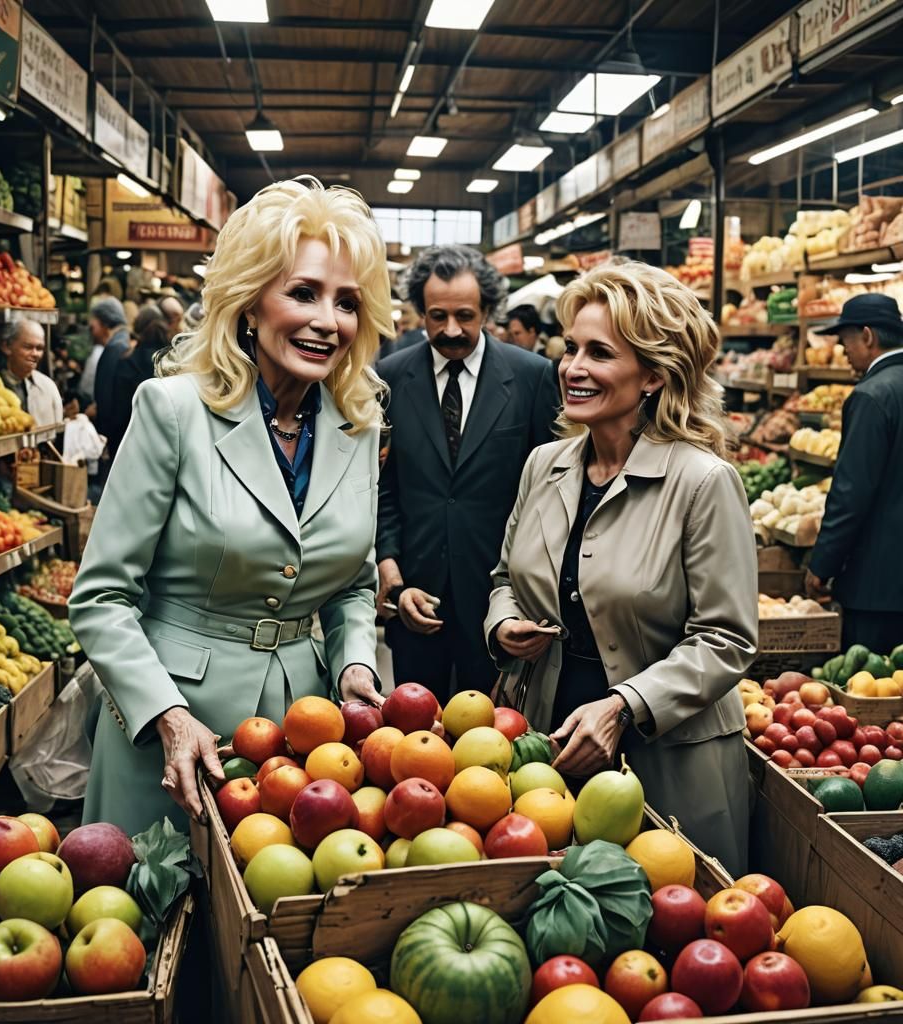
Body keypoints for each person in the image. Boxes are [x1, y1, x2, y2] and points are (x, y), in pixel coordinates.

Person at [68, 178, 392, 834]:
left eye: (347, 302)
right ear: (249, 303)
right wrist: (166, 713)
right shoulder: (174, 412)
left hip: (300, 737)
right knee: (149, 920)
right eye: (303, 293)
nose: (327, 321)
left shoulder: (359, 426)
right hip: (172, 728)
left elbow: (351, 583)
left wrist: (355, 660)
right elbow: (100, 598)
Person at [484, 262, 757, 874]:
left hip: (667, 755)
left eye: (599, 353)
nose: (572, 367)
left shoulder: (703, 482)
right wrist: (503, 628)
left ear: (655, 374)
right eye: (571, 348)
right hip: (549, 740)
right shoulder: (543, 466)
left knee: (668, 938)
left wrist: (623, 705)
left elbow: (726, 638)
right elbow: (505, 579)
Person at [376, 245, 558, 704]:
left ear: (487, 311)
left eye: (465, 315)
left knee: (495, 737)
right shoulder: (390, 378)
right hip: (416, 597)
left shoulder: (532, 377)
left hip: (498, 599)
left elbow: (548, 491)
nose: (452, 329)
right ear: (420, 311)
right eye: (437, 316)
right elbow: (381, 485)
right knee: (415, 735)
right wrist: (389, 567)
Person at [805, 294, 903, 652]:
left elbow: (851, 493)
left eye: (844, 339)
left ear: (866, 336)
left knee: (870, 692)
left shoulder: (871, 396)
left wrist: (822, 564)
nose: (842, 350)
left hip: (877, 588)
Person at [111, 304, 172, 449]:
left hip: (133, 443)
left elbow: (118, 416)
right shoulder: (175, 360)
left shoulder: (127, 362)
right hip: (167, 442)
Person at [89, 296, 131, 469]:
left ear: (105, 323)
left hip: (113, 436)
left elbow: (106, 397)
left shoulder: (115, 347)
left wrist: (103, 433)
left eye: (93, 326)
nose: (91, 331)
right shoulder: (123, 340)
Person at [0, 318, 64, 427]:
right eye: (28, 347)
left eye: (39, 348)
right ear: (6, 347)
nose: (35, 354)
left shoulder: (48, 387)